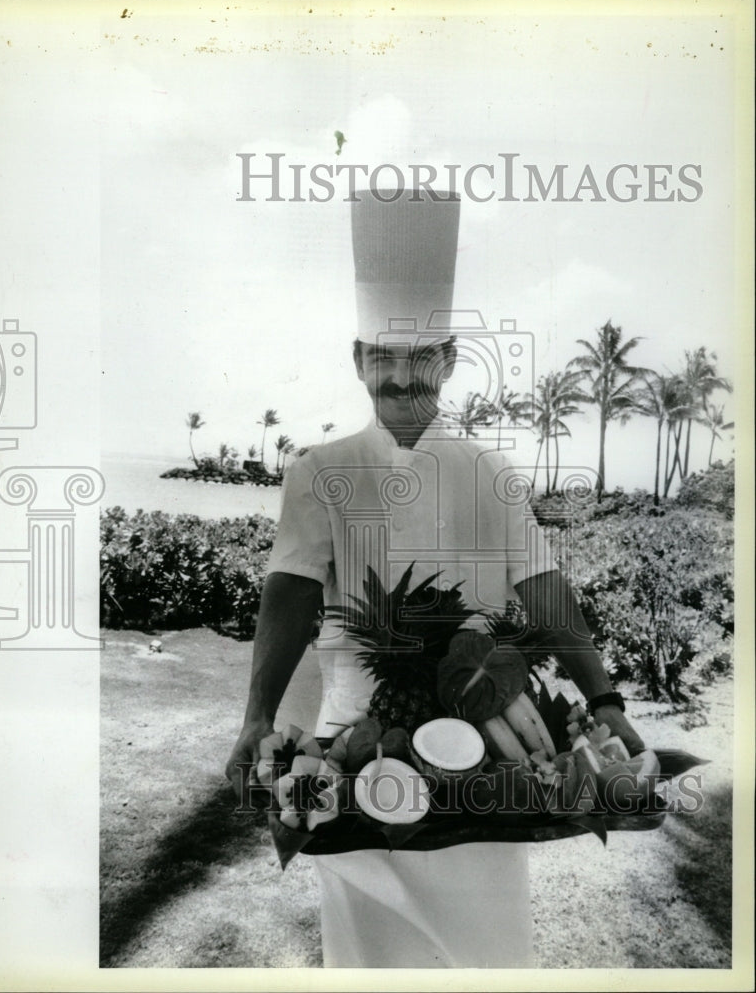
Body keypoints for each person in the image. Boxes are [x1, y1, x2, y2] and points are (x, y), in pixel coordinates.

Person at [226, 189, 645, 968]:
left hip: (489, 751)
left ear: (450, 359)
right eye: (382, 355)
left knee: (484, 956)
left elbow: (544, 591)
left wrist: (606, 699)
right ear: (357, 360)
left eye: (421, 355)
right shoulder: (319, 471)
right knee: (366, 957)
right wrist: (256, 716)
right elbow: (288, 589)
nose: (401, 376)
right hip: (350, 749)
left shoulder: (490, 473)